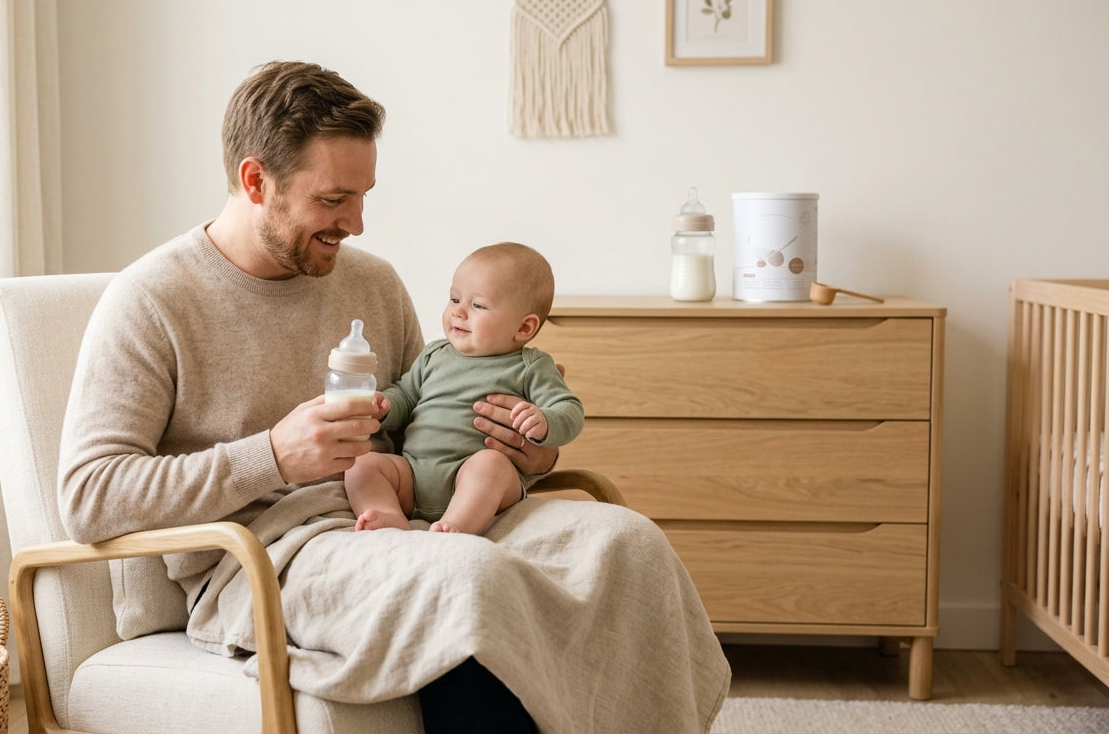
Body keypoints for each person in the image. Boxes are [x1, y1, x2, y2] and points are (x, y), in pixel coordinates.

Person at [58, 60, 729, 734]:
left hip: (419, 513)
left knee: (624, 543)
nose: (355, 222)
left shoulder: (372, 283)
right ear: (255, 180)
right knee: (464, 580)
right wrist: (273, 456)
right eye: (332, 199)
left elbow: (434, 432)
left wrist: (524, 454)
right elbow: (89, 496)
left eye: (363, 196)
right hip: (270, 556)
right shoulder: (153, 300)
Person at [346, 242, 583, 534]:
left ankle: (457, 526)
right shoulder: (434, 354)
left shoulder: (530, 366)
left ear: (524, 328)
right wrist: (385, 407)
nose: (458, 313)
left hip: (478, 481)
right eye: (454, 299)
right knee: (362, 465)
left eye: (477, 305)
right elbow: (406, 395)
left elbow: (570, 410)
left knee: (490, 465)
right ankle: (388, 516)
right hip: (415, 477)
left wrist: (545, 422)